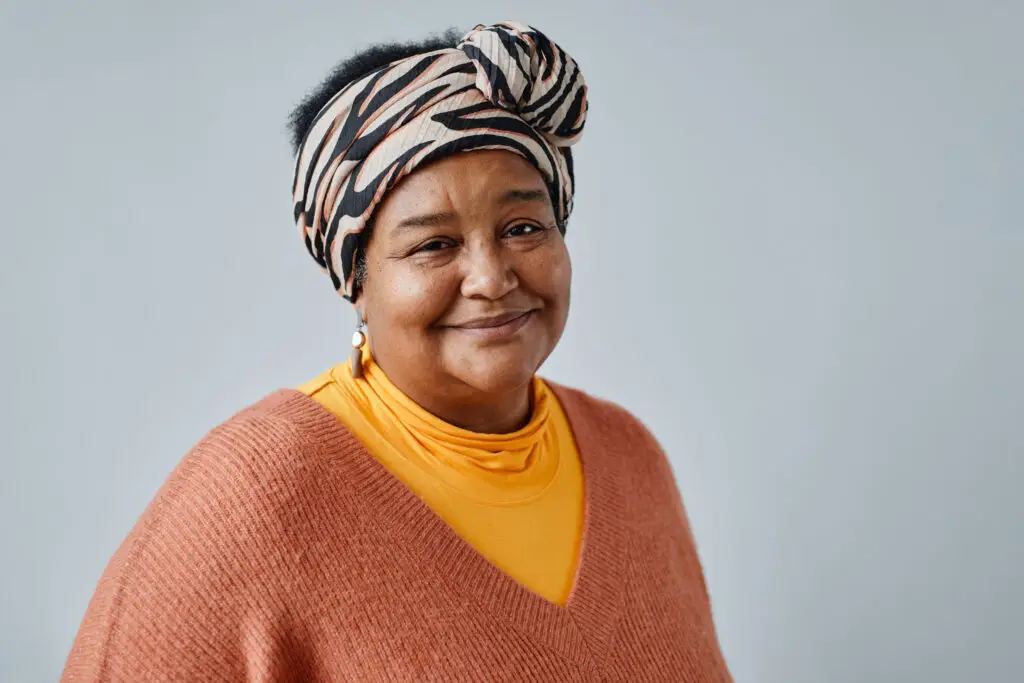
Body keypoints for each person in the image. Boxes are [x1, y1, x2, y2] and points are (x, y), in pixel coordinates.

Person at [62, 21, 732, 682]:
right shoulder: (254, 500)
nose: (492, 278)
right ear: (358, 279)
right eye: (433, 244)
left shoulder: (629, 458)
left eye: (523, 227)